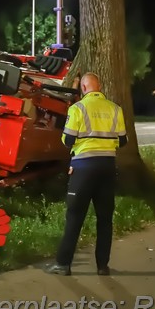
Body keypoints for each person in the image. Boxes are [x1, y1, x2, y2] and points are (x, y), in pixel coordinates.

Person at [43, 73, 128, 276]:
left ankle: (63, 264)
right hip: (107, 167)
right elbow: (123, 141)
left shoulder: (77, 108)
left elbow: (68, 139)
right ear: (99, 87)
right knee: (105, 219)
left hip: (84, 167)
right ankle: (102, 266)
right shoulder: (115, 109)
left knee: (74, 216)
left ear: (83, 87)